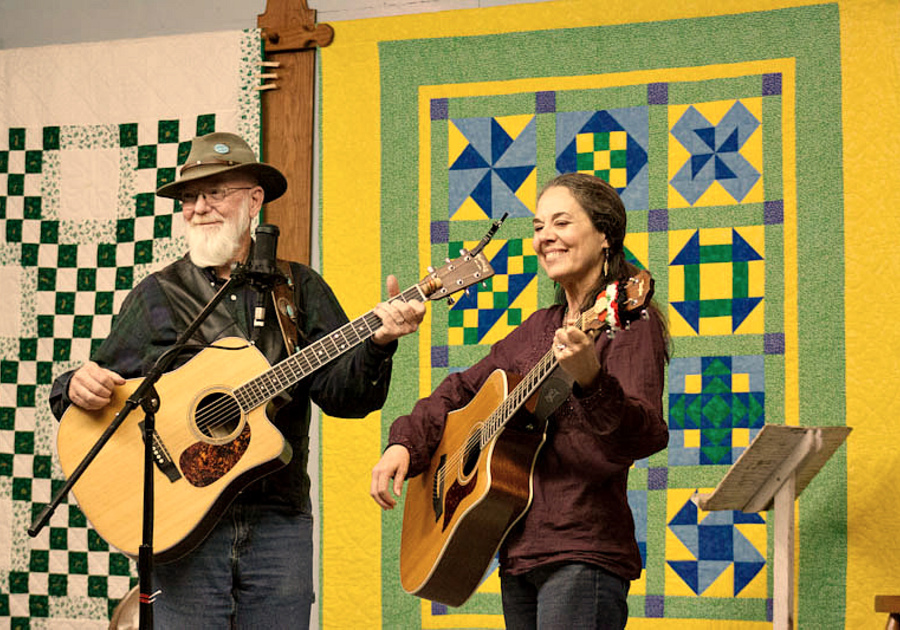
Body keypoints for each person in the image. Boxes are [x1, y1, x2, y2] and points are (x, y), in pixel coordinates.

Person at [50, 131, 426, 629]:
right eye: (189, 197)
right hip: (180, 521)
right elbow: (100, 392)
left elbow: (347, 397)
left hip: (279, 522)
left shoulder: (300, 288)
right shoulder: (157, 295)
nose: (199, 207)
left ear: (255, 202)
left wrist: (379, 342)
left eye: (216, 192)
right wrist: (76, 384)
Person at [370, 172, 669, 629]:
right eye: (537, 226)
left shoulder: (627, 321)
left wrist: (591, 379)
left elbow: (642, 434)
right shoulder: (537, 329)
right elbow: (460, 391)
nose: (545, 236)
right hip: (519, 551)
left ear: (605, 234)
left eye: (562, 223)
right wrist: (405, 444)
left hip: (582, 551)